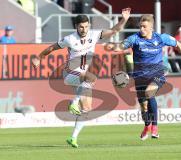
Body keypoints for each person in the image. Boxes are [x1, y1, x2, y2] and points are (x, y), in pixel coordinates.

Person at [32, 8, 131, 148]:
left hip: (83, 77)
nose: (84, 29)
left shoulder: (94, 34)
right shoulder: (70, 39)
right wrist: (39, 58)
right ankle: (74, 102)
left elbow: (114, 30)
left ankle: (73, 138)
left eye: (86, 26)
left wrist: (124, 19)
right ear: (76, 27)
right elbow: (51, 48)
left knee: (87, 109)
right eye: (81, 26)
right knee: (91, 77)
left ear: (89, 25)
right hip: (70, 73)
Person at [107, 14, 181, 140]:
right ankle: (147, 125)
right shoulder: (134, 39)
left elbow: (178, 44)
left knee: (149, 93)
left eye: (144, 27)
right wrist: (114, 47)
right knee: (143, 106)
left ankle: (155, 127)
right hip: (140, 77)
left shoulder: (161, 38)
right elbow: (121, 46)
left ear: (151, 27)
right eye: (140, 26)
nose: (141, 29)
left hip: (158, 73)